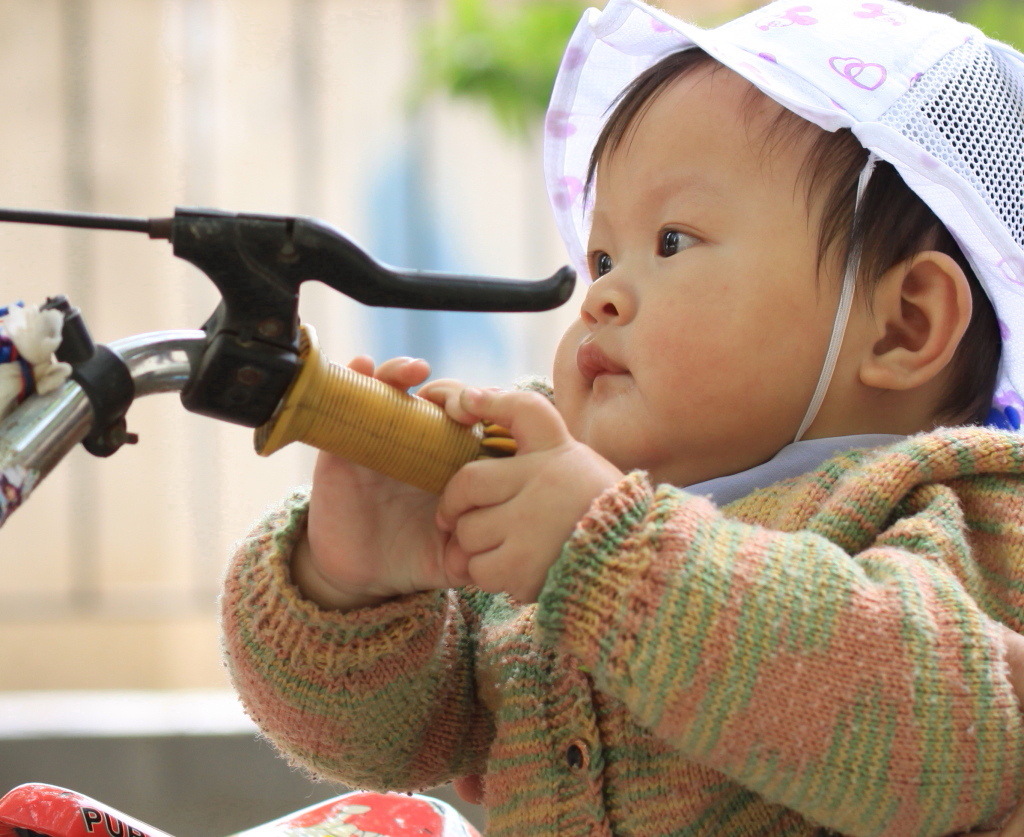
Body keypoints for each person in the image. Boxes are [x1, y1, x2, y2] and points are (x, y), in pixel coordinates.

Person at [221, 0, 1024, 833]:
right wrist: (352, 588)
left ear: (906, 324)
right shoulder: (563, 512)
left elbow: (929, 725)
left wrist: (608, 553)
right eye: (602, 254)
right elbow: (392, 740)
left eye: (672, 241)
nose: (598, 293)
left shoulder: (961, 506)